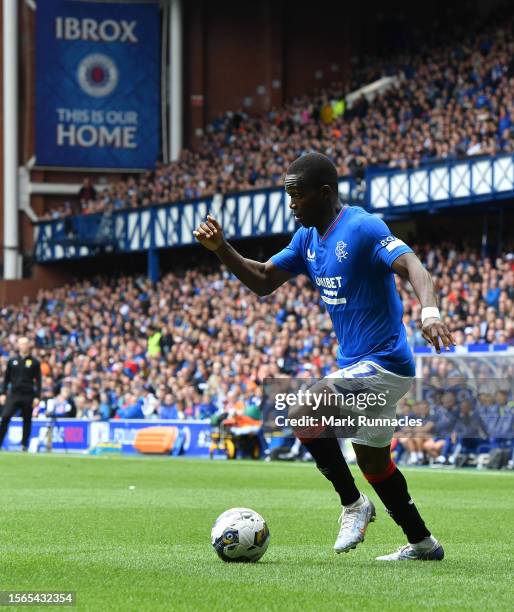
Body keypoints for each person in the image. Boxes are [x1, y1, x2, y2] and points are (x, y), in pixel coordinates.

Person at [194, 152, 455, 561]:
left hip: (385, 363)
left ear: (325, 192)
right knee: (374, 463)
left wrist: (430, 311)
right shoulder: (307, 240)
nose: (292, 204)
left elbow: (413, 266)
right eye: (288, 195)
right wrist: (222, 248)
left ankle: (353, 505)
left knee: (302, 411)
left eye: (297, 195)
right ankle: (423, 543)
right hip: (358, 366)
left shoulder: (363, 226)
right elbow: (263, 280)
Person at [0, 337, 42, 451]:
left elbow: (38, 381)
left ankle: (24, 445)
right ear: (18, 345)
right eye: (21, 344)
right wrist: (3, 393)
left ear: (28, 345)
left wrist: (37, 396)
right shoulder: (12, 361)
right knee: (5, 416)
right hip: (14, 394)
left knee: (27, 420)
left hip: (28, 395)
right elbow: (6, 379)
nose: (23, 346)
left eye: (25, 344)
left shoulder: (35, 362)